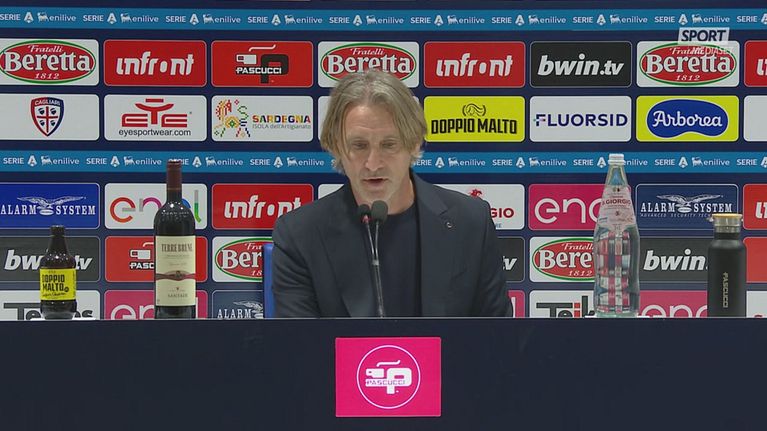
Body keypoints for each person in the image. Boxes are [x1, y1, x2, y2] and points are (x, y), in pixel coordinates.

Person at [271, 68, 512, 317]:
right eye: (359, 145)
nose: (373, 163)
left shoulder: (470, 222)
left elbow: (497, 335)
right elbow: (301, 340)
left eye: (388, 145)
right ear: (336, 146)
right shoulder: (300, 235)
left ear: (414, 143)